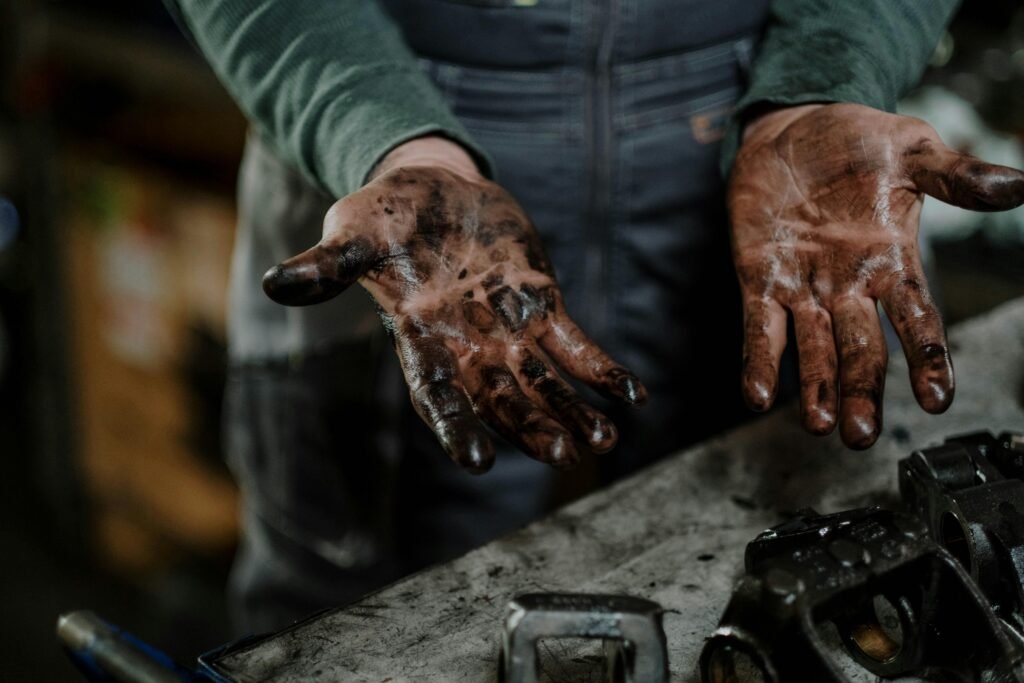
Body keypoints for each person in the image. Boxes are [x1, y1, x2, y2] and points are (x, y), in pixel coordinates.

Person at [163, 0, 1024, 633]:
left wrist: (830, 75)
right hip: (388, 161)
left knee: (839, 594)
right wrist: (382, 133)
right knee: (357, 618)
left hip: (782, 155)